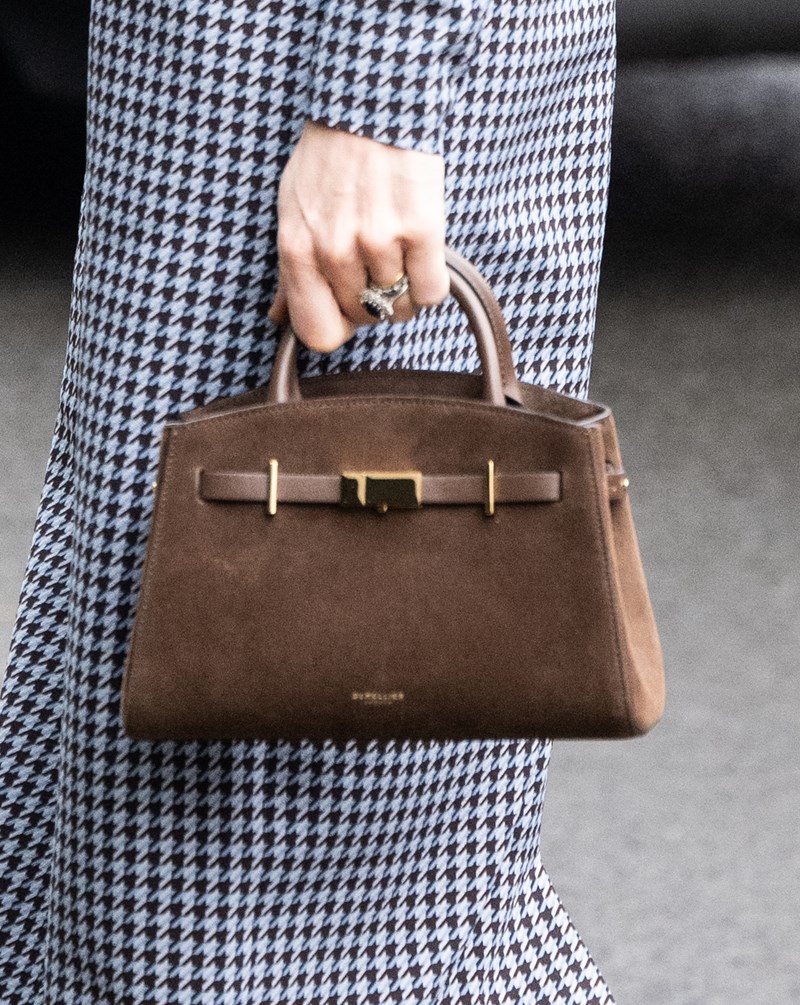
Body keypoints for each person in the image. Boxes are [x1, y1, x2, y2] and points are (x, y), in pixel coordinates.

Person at [0, 1, 618, 1001]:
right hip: (228, 77)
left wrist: (379, 97)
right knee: (142, 726)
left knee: (252, 846)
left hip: (300, 76)